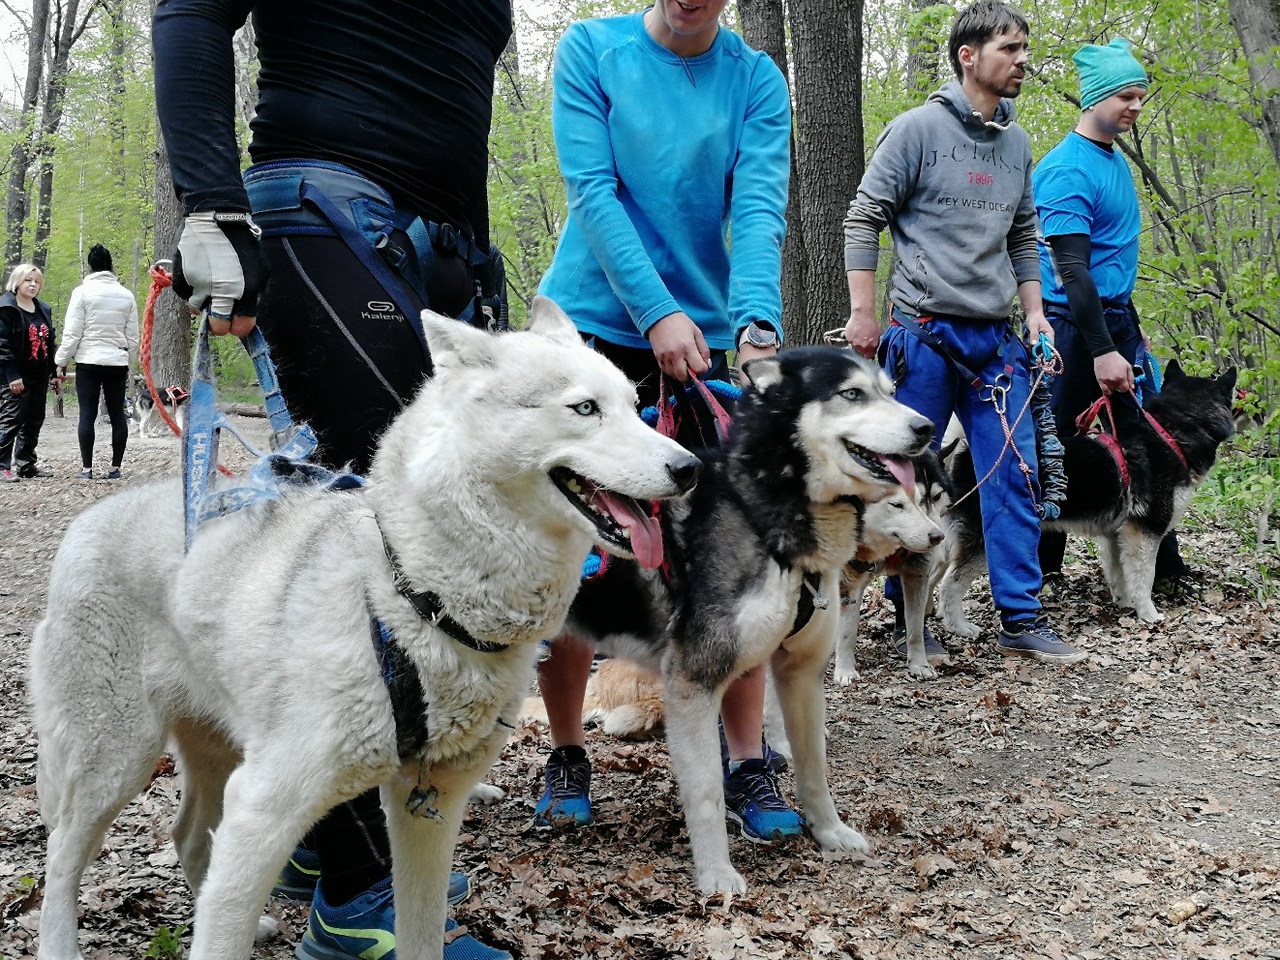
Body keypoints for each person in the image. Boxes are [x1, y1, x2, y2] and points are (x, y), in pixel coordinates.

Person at [151, 2, 513, 958]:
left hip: (436, 251)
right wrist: (209, 203)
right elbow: (187, 12)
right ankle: (356, 900)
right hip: (324, 211)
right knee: (364, 544)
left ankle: (321, 831)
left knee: (399, 540)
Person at [533, 0, 802, 842]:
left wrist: (755, 322)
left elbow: (757, 207)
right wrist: (653, 311)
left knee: (734, 554)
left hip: (707, 337)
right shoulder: (592, 51)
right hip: (591, 327)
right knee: (573, 555)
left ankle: (746, 757)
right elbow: (594, 191)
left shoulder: (755, 79)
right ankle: (569, 750)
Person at [842, 0, 1087, 665]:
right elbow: (864, 219)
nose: (1022, 62)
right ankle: (906, 617)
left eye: (1025, 49)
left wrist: (1036, 313)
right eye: (1010, 49)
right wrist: (864, 313)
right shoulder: (915, 130)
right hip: (921, 337)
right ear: (968, 56)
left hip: (996, 345)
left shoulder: (1017, 144)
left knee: (1017, 474)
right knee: (904, 480)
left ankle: (1020, 615)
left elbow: (1025, 234)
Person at [1033, 38, 1195, 596]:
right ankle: (1039, 573)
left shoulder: (1112, 158)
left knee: (1148, 442)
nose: (1136, 107)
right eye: (1126, 96)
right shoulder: (1064, 171)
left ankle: (1163, 567)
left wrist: (1130, 326)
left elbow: (1111, 260)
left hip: (1115, 320)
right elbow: (1073, 273)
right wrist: (1103, 349)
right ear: (1097, 97)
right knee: (1053, 443)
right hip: (1075, 330)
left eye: (1142, 98)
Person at [54, 245, 139, 481]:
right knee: (118, 415)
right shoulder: (126, 295)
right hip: (116, 362)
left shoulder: (81, 293)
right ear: (111, 266)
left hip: (88, 361)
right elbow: (133, 337)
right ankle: (114, 468)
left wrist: (60, 361)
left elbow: (72, 334)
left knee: (87, 414)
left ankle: (86, 469)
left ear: (90, 267)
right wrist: (127, 360)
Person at [0, 265, 57, 481]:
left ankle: (26, 464)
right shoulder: (6, 308)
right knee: (12, 419)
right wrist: (13, 376)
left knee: (34, 420)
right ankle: (1, 465)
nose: (33, 284)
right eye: (28, 280)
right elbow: (2, 345)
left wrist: (54, 373)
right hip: (13, 376)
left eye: (36, 281)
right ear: (17, 282)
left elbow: (50, 343)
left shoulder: (43, 309)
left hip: (39, 374)